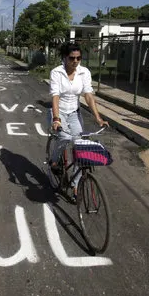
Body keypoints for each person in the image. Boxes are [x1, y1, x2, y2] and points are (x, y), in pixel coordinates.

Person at [49, 42, 109, 197]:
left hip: (74, 112)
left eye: (78, 58)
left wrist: (98, 118)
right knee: (64, 136)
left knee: (80, 145)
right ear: (64, 57)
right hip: (59, 110)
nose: (75, 61)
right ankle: (54, 161)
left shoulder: (84, 72)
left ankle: (76, 186)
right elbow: (55, 96)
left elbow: (88, 95)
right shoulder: (57, 72)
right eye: (72, 58)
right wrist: (56, 118)